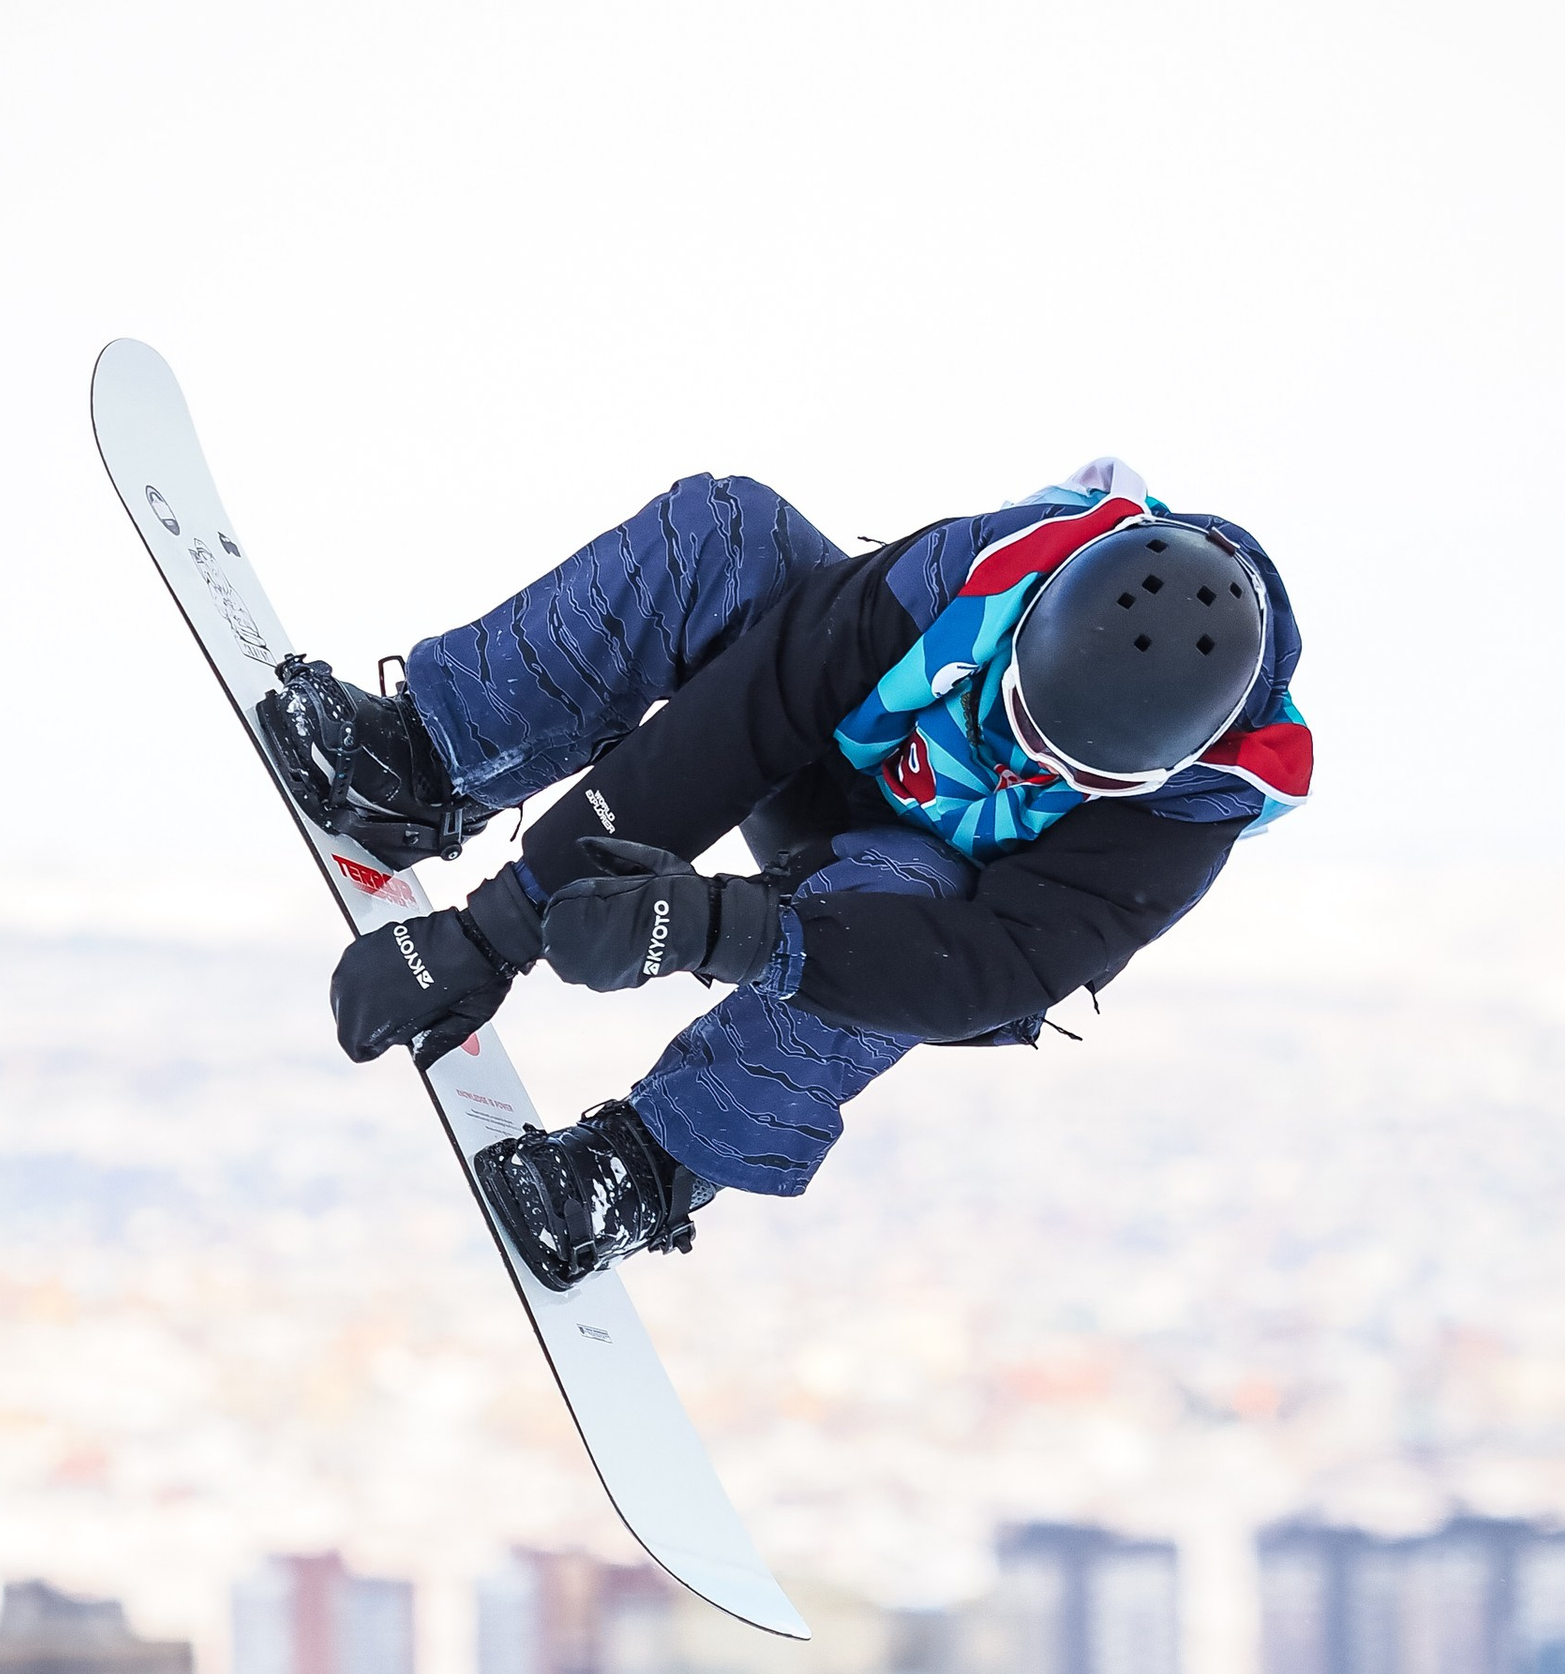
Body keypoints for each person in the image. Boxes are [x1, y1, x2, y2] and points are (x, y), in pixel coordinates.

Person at [259, 462, 1310, 1291]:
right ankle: (431, 758)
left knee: (908, 914)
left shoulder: (1196, 809)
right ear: (1029, 626)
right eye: (1018, 716)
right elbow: (748, 717)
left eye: (1067, 772)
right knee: (726, 534)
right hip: (826, 757)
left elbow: (990, 969)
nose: (1020, 762)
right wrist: (497, 930)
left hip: (918, 906)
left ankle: (648, 1162)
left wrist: (713, 926)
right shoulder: (969, 568)